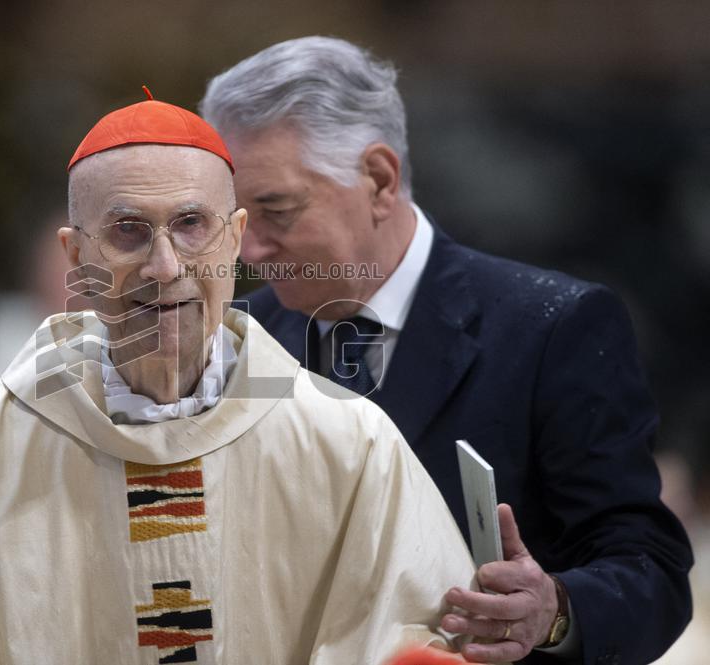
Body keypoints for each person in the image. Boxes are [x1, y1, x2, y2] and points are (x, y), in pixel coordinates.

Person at [0, 94, 482, 664]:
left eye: (190, 225)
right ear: (76, 257)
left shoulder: (349, 445)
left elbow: (417, 642)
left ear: (234, 241)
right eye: (128, 231)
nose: (164, 264)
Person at [199, 36, 693, 665]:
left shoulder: (551, 327)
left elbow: (650, 567)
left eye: (275, 210)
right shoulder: (241, 337)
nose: (249, 250)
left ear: (379, 179)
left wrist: (556, 609)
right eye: (235, 217)